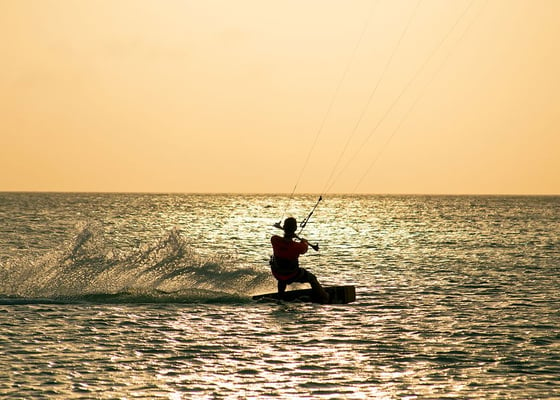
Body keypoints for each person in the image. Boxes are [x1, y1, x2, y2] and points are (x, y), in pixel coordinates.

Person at [270, 217, 329, 303]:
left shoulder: (274, 240)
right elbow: (304, 248)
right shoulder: (298, 246)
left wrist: (290, 235)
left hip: (277, 273)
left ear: (284, 227)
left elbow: (284, 242)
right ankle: (324, 297)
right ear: (295, 229)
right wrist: (304, 241)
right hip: (292, 274)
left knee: (282, 278)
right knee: (312, 278)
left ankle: (281, 296)